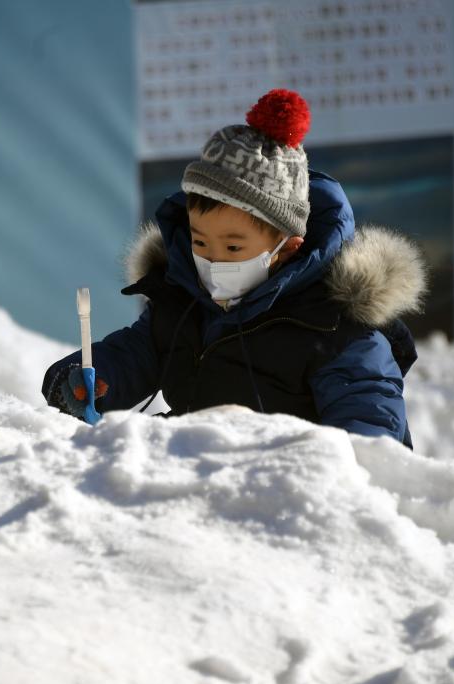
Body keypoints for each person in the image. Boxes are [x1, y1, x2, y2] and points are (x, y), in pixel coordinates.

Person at [42, 88, 426, 448]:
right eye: (200, 242)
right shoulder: (184, 298)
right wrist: (90, 378)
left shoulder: (335, 326)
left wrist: (341, 473)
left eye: (233, 246)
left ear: (287, 247)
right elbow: (138, 353)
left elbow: (370, 426)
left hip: (286, 492)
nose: (213, 260)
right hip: (197, 476)